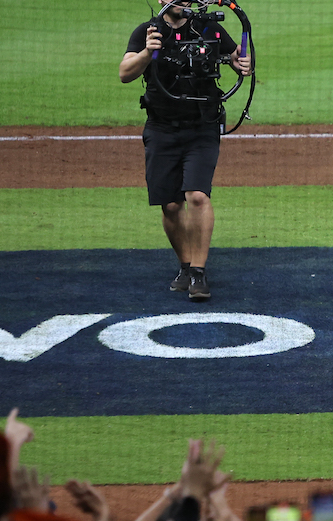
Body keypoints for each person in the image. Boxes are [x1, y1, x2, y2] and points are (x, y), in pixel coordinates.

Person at [120, 0, 252, 302]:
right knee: (170, 205)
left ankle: (198, 272)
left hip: (201, 126)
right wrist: (147, 52)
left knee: (197, 195)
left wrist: (242, 62)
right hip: (161, 127)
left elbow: (238, 58)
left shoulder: (209, 28)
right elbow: (125, 73)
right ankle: (185, 264)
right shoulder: (147, 32)